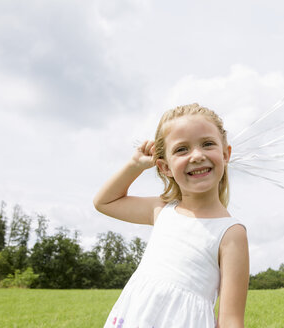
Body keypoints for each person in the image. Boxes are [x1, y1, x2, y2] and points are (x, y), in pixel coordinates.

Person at [93, 103, 249, 328]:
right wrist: (134, 165)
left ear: (225, 154)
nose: (197, 156)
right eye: (181, 149)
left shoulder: (231, 233)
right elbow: (104, 202)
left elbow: (230, 320)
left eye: (207, 144)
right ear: (164, 167)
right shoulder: (163, 210)